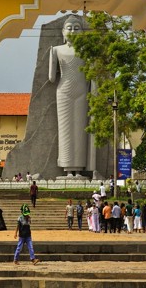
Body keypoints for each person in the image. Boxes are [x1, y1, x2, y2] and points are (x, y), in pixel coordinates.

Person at [49, 15, 90, 175]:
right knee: (66, 130)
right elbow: (52, 77)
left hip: (81, 92)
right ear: (63, 32)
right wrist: (51, 58)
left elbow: (92, 74)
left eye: (76, 28)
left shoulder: (86, 51)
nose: (72, 31)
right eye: (69, 27)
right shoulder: (56, 50)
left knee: (80, 131)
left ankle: (78, 170)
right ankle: (67, 170)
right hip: (64, 92)